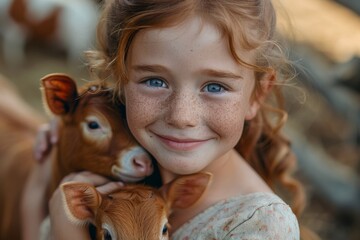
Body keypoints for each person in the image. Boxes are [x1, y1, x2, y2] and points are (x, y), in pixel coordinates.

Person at [23, 0, 314, 239]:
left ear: (257, 96)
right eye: (154, 81)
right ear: (119, 82)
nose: (181, 117)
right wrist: (49, 164)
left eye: (215, 87)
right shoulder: (123, 168)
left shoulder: (259, 228)